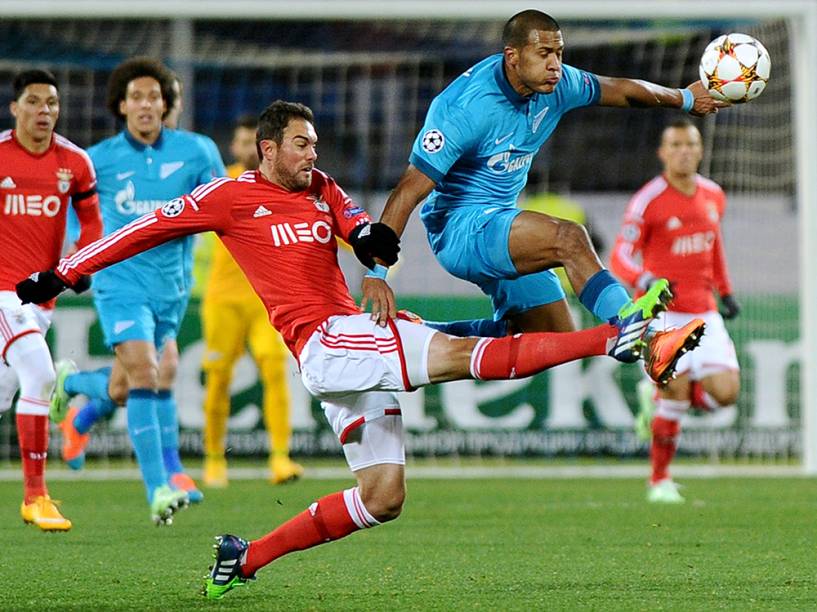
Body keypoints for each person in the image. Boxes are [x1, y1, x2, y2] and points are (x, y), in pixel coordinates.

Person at [16, 100, 703, 598]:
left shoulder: (319, 189)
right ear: (268, 148)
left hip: (350, 341)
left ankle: (244, 556)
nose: (313, 153)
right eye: (301, 144)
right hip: (324, 344)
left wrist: (370, 242)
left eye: (314, 144)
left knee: (382, 496)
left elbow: (355, 224)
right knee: (456, 358)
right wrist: (66, 272)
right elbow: (144, 230)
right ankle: (623, 337)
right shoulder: (228, 198)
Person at [362, 9, 726, 349]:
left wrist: (683, 99)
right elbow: (409, 190)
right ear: (513, 56)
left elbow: (620, 89)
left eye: (559, 53)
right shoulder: (464, 108)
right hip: (460, 228)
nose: (555, 65)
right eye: (544, 54)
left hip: (502, 222)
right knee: (569, 237)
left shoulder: (559, 84)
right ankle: (635, 326)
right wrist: (378, 272)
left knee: (552, 336)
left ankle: (418, 334)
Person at [48, 57, 220, 524]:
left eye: (154, 96)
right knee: (151, 372)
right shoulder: (98, 160)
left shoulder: (198, 152)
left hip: (172, 287)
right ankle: (161, 486)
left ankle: (76, 391)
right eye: (137, 96)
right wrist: (70, 260)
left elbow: (225, 207)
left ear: (167, 105)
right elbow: (72, 216)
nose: (146, 104)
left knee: (132, 383)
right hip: (118, 282)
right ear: (121, 105)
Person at [609, 119, 740, 503]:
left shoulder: (714, 195)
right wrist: (644, 278)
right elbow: (620, 255)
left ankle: (659, 400)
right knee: (676, 388)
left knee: (726, 393)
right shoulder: (647, 200)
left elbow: (713, 246)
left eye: (691, 144)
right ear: (663, 153)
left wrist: (726, 290)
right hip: (661, 316)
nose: (684, 151)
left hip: (704, 311)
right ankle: (659, 480)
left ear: (700, 150)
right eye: (676, 144)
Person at [0, 69, 103, 531]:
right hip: (4, 296)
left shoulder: (75, 162)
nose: (45, 111)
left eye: (53, 103)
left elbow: (94, 226)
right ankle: (35, 496)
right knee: (40, 376)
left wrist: (77, 266)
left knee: (7, 396)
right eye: (35, 102)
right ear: (15, 107)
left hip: (39, 303)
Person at [196, 114, 303, 487]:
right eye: (241, 142)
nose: (247, 149)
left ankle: (280, 458)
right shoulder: (219, 185)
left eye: (252, 143)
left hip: (265, 302)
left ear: (265, 147)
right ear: (233, 147)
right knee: (219, 379)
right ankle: (213, 460)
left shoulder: (282, 186)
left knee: (275, 371)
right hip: (222, 301)